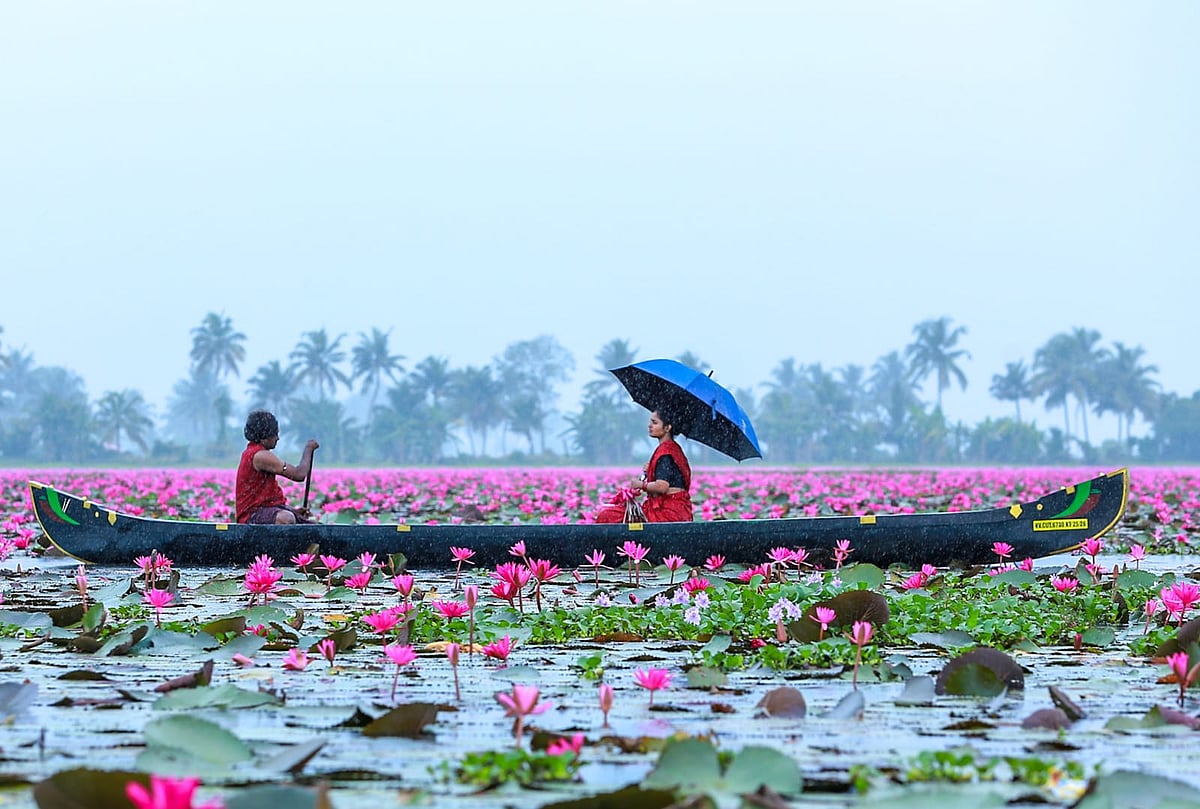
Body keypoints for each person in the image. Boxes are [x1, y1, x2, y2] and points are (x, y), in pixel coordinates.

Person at [594, 408, 694, 523]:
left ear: (667, 427)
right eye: (650, 422)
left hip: (667, 513)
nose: (649, 425)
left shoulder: (665, 452)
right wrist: (652, 470)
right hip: (679, 511)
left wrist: (641, 484)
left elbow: (662, 487)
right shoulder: (673, 449)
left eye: (654, 422)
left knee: (608, 516)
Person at [235, 410, 320, 524]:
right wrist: (308, 449)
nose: (277, 438)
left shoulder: (257, 452)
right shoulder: (259, 455)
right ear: (265, 435)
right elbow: (299, 475)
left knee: (312, 527)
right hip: (251, 517)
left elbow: (267, 503)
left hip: (262, 512)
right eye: (275, 434)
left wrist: (292, 510)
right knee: (287, 519)